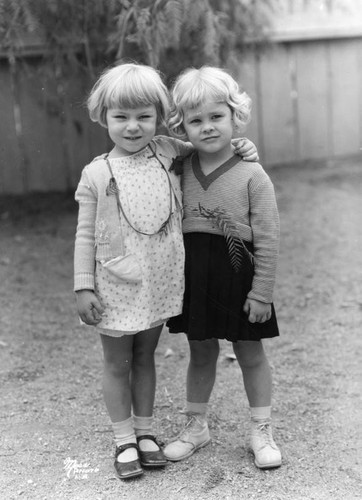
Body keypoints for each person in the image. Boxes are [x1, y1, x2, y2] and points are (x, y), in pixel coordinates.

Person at [73, 63, 258, 480]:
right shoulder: (97, 173)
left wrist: (243, 148)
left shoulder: (168, 152)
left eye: (144, 116)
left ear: (159, 116)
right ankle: (123, 440)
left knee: (146, 358)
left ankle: (145, 433)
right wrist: (83, 286)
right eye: (122, 117)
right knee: (118, 361)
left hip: (159, 282)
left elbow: (211, 146)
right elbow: (86, 235)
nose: (134, 127)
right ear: (104, 117)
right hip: (114, 285)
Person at [164, 66, 282, 470]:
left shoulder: (253, 174)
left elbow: (267, 238)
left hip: (239, 277)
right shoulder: (178, 167)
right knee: (200, 352)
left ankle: (261, 431)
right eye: (196, 121)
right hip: (196, 278)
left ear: (235, 117)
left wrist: (261, 292)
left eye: (217, 117)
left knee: (250, 353)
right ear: (183, 126)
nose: (208, 127)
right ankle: (196, 427)